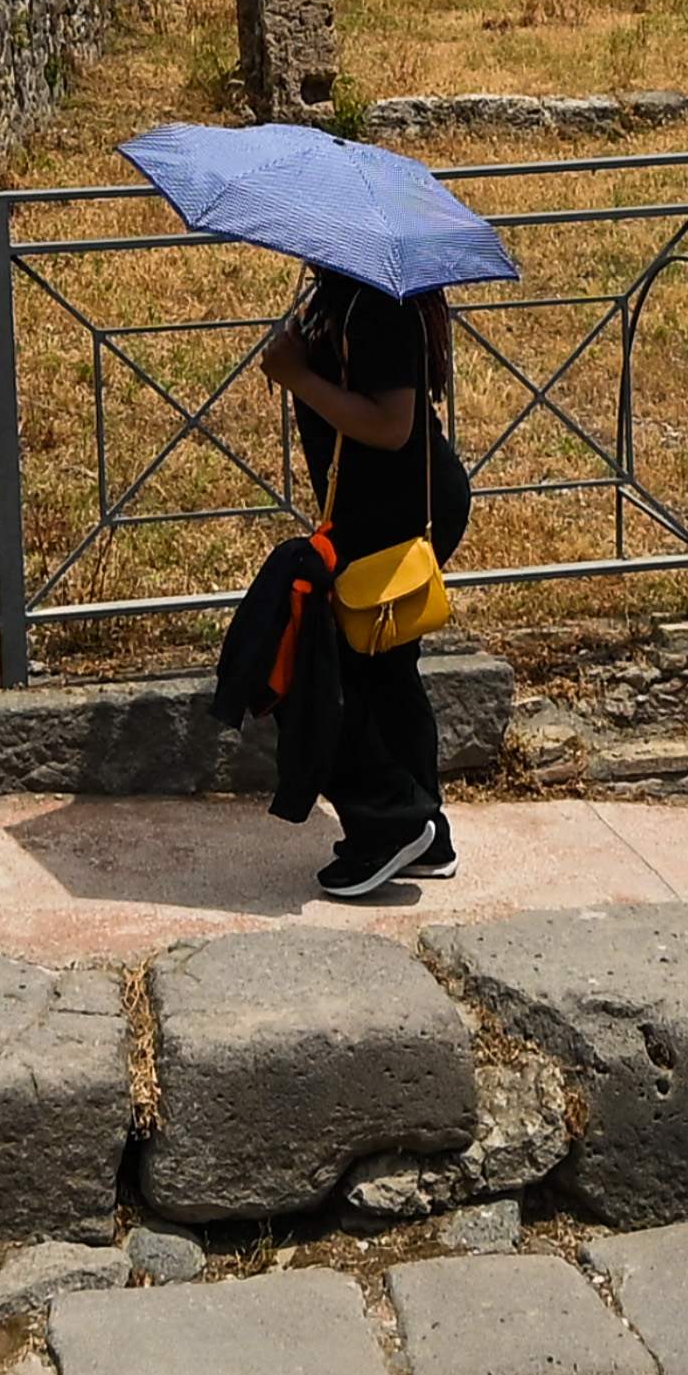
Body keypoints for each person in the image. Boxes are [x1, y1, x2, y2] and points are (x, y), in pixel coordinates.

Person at [253, 251, 458, 901]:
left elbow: (392, 427)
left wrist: (296, 377)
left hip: (395, 513)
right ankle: (426, 832)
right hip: (370, 510)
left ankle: (388, 827)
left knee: (327, 670)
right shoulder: (334, 293)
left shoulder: (377, 305)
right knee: (388, 671)